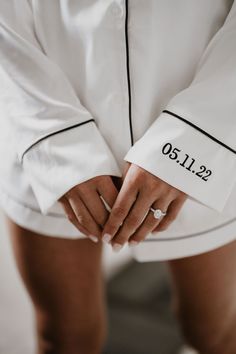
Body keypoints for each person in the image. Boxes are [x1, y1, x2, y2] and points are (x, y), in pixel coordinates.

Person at [1, 1, 236, 353]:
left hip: (208, 127)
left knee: (214, 332)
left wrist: (191, 140)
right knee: (62, 337)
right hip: (44, 118)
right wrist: (57, 143)